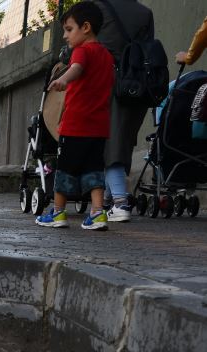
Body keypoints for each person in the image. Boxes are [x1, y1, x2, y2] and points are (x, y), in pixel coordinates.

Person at [36, 1, 114, 231]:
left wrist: (62, 79)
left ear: (86, 27)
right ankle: (98, 213)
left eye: (69, 29)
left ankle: (58, 213)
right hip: (99, 126)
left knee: (65, 168)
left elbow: (77, 68)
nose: (65, 36)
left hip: (76, 125)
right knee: (94, 169)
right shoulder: (107, 55)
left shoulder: (82, 51)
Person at [95, 0, 155, 223]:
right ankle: (111, 201)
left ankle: (119, 201)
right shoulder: (145, 12)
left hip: (109, 81)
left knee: (111, 143)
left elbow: (85, 44)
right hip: (138, 84)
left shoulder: (96, 7)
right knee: (124, 140)